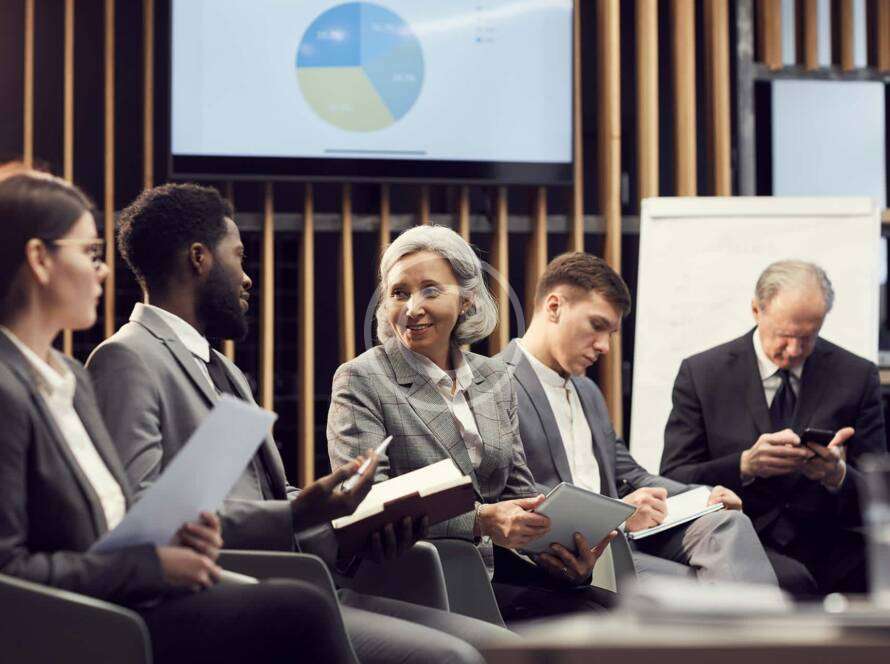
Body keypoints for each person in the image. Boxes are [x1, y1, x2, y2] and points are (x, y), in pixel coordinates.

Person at [87, 183, 510, 663]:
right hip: (230, 593)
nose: (247, 277)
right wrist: (298, 512)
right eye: (238, 257)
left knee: (493, 650)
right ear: (200, 258)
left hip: (303, 581)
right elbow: (141, 516)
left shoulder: (222, 368)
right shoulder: (127, 357)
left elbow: (265, 497)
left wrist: (352, 519)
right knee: (452, 658)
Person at [0, 172, 357, 664]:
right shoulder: (10, 390)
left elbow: (113, 517)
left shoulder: (70, 377)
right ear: (40, 259)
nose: (103, 272)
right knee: (302, 610)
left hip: (131, 595)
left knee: (303, 607)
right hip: (93, 621)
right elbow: (9, 571)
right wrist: (150, 566)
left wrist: (179, 535)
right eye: (90, 253)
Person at [327, 225, 617, 622]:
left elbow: (519, 491)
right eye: (399, 293)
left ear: (466, 300)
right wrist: (481, 521)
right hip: (420, 581)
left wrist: (560, 553)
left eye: (430, 290)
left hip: (497, 575)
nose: (412, 307)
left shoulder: (493, 379)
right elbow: (366, 506)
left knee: (618, 614)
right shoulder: (362, 378)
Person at [499, 252, 779, 588]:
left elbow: (630, 474)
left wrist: (705, 496)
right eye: (597, 326)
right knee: (705, 587)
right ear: (554, 307)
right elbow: (509, 493)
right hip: (565, 556)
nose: (605, 346)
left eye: (611, 333)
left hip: (622, 541)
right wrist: (618, 512)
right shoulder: (496, 384)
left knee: (728, 522)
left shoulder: (588, 391)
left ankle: (753, 620)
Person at [660, 260, 887, 596]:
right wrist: (744, 465)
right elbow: (673, 478)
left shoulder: (856, 375)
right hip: (742, 541)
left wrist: (837, 475)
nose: (794, 350)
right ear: (756, 310)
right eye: (784, 336)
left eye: (807, 338)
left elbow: (879, 490)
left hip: (832, 546)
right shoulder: (703, 374)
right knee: (790, 581)